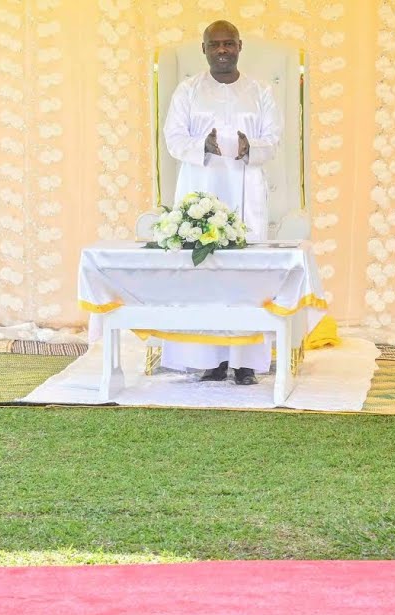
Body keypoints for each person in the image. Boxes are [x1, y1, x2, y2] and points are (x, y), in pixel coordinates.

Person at [160, 20, 282, 385]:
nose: (223, 51)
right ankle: (209, 358)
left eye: (229, 44)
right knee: (206, 275)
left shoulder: (260, 91)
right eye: (215, 45)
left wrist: (250, 147)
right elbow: (172, 138)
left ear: (240, 46)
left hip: (246, 192)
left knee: (244, 276)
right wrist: (204, 146)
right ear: (204, 50)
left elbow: (273, 139)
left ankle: (246, 362)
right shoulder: (188, 90)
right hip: (200, 188)